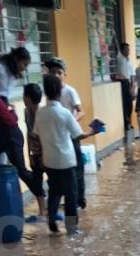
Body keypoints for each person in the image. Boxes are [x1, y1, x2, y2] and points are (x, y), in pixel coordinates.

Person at [34, 75, 99, 234]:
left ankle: (52, 220)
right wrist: (92, 131)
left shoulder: (40, 113)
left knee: (54, 191)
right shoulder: (63, 113)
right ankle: (71, 227)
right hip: (66, 160)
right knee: (71, 194)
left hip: (49, 160)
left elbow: (36, 134)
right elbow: (78, 135)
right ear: (58, 91)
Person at [44, 57, 88, 209]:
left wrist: (71, 122)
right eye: (53, 72)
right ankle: (65, 209)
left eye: (59, 72)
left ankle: (78, 200)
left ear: (64, 74)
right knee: (59, 176)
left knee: (77, 169)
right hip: (57, 140)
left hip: (71, 135)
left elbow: (81, 111)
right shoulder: (49, 95)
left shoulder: (69, 91)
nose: (56, 75)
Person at [0, 46, 30, 164]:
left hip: (5, 103)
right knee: (8, 132)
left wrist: (8, 104)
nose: (24, 68)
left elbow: (6, 93)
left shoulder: (14, 75)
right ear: (17, 59)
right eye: (24, 64)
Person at [23, 83, 47, 218]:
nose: (24, 99)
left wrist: (44, 155)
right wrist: (29, 153)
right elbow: (28, 132)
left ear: (28, 98)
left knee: (54, 181)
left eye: (25, 96)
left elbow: (45, 136)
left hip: (46, 152)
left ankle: (52, 208)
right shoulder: (26, 112)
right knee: (37, 181)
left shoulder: (42, 114)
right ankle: (42, 210)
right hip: (35, 153)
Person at [115, 42, 135, 131]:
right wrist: (115, 36)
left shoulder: (128, 61)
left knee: (129, 104)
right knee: (124, 104)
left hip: (128, 82)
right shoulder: (120, 58)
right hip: (122, 82)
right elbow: (117, 45)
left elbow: (132, 75)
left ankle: (129, 122)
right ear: (122, 50)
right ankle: (126, 123)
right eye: (126, 49)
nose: (128, 51)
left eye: (129, 49)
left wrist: (132, 87)